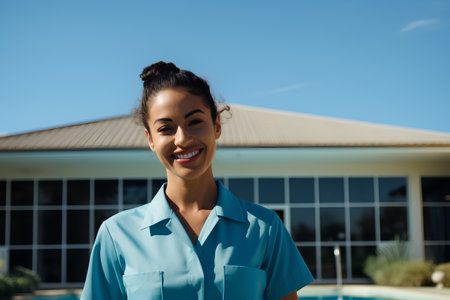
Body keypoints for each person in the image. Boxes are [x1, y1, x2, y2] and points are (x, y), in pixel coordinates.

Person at [81, 61, 314, 300]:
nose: (182, 139)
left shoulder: (265, 228)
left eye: (194, 122)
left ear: (216, 126)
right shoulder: (116, 234)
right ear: (150, 139)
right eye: (166, 128)